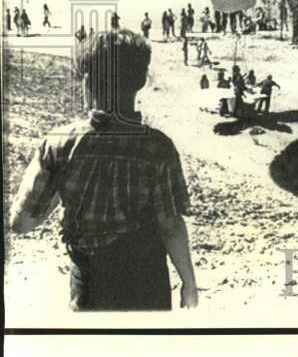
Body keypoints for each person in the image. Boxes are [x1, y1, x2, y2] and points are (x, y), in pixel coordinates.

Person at [10, 30, 197, 310]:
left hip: (90, 286)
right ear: (142, 81)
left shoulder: (59, 143)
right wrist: (189, 284)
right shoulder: (158, 147)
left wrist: (61, 188)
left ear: (86, 80)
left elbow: (22, 223)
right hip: (148, 285)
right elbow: (170, 226)